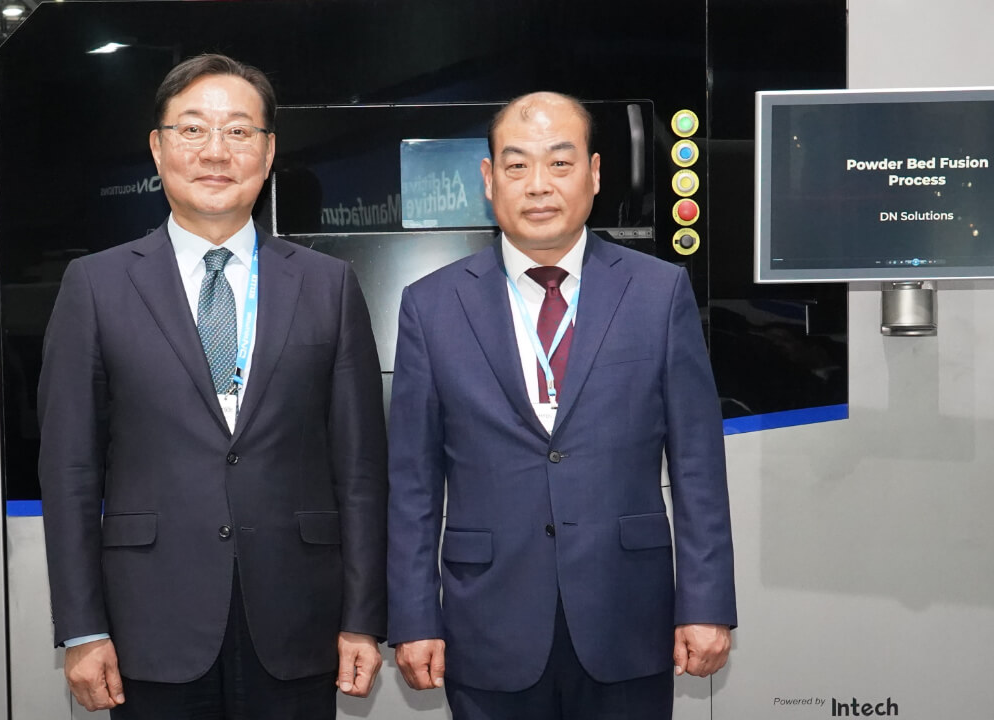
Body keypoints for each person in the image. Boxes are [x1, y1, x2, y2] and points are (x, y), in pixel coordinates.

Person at [38, 53, 387, 719]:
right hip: (149, 622)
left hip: (298, 620)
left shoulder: (328, 285)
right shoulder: (97, 285)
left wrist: (363, 618)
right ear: (158, 147)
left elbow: (361, 470)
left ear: (268, 151)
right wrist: (82, 629)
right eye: (193, 130)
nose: (216, 152)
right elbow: (70, 469)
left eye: (239, 131)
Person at [386, 92, 736, 719]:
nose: (539, 185)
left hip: (627, 615)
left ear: (594, 174)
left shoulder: (658, 292)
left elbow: (699, 468)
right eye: (517, 165)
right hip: (487, 624)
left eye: (560, 163)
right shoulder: (430, 305)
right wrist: (414, 616)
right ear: (489, 179)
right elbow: (412, 482)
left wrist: (706, 603)